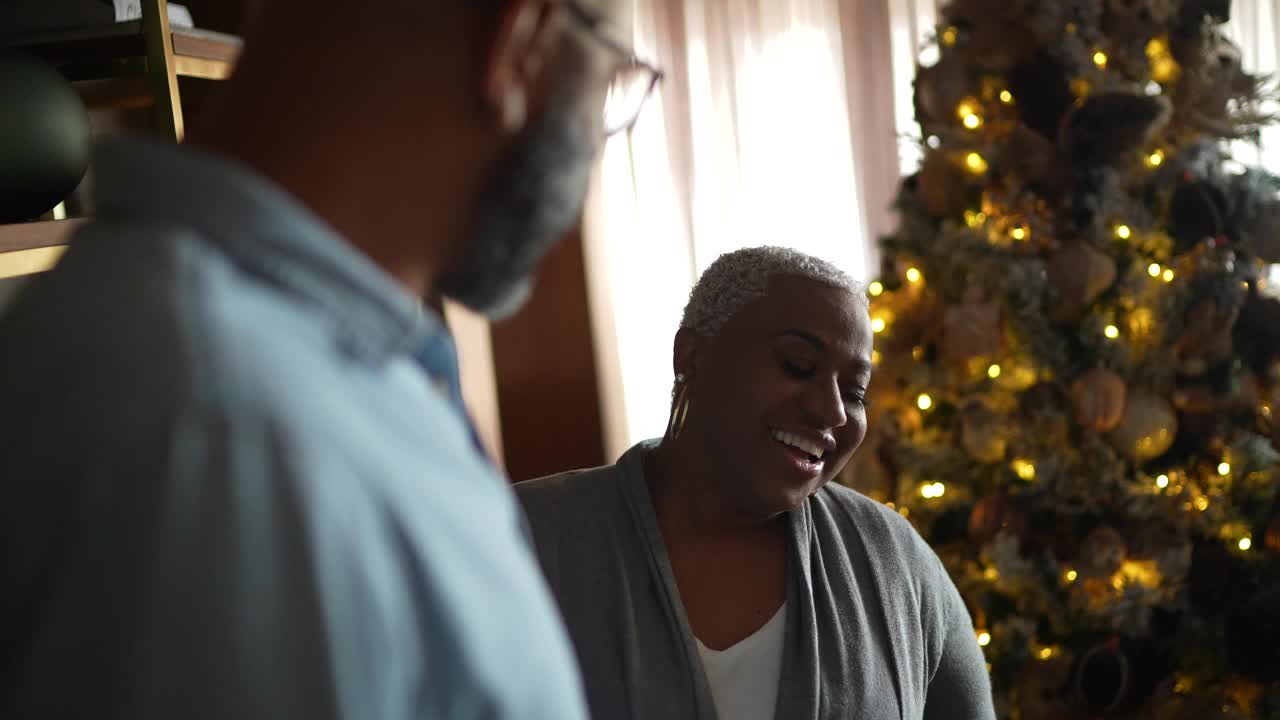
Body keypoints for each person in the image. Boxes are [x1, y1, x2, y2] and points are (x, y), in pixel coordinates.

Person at [0, 1, 660, 717]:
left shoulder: (308, 372)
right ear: (519, 42)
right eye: (611, 81)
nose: (597, 147)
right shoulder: (228, 435)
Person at [516, 246, 996, 720]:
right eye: (797, 365)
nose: (830, 411)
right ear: (693, 355)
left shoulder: (892, 561)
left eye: (854, 393)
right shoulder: (524, 538)